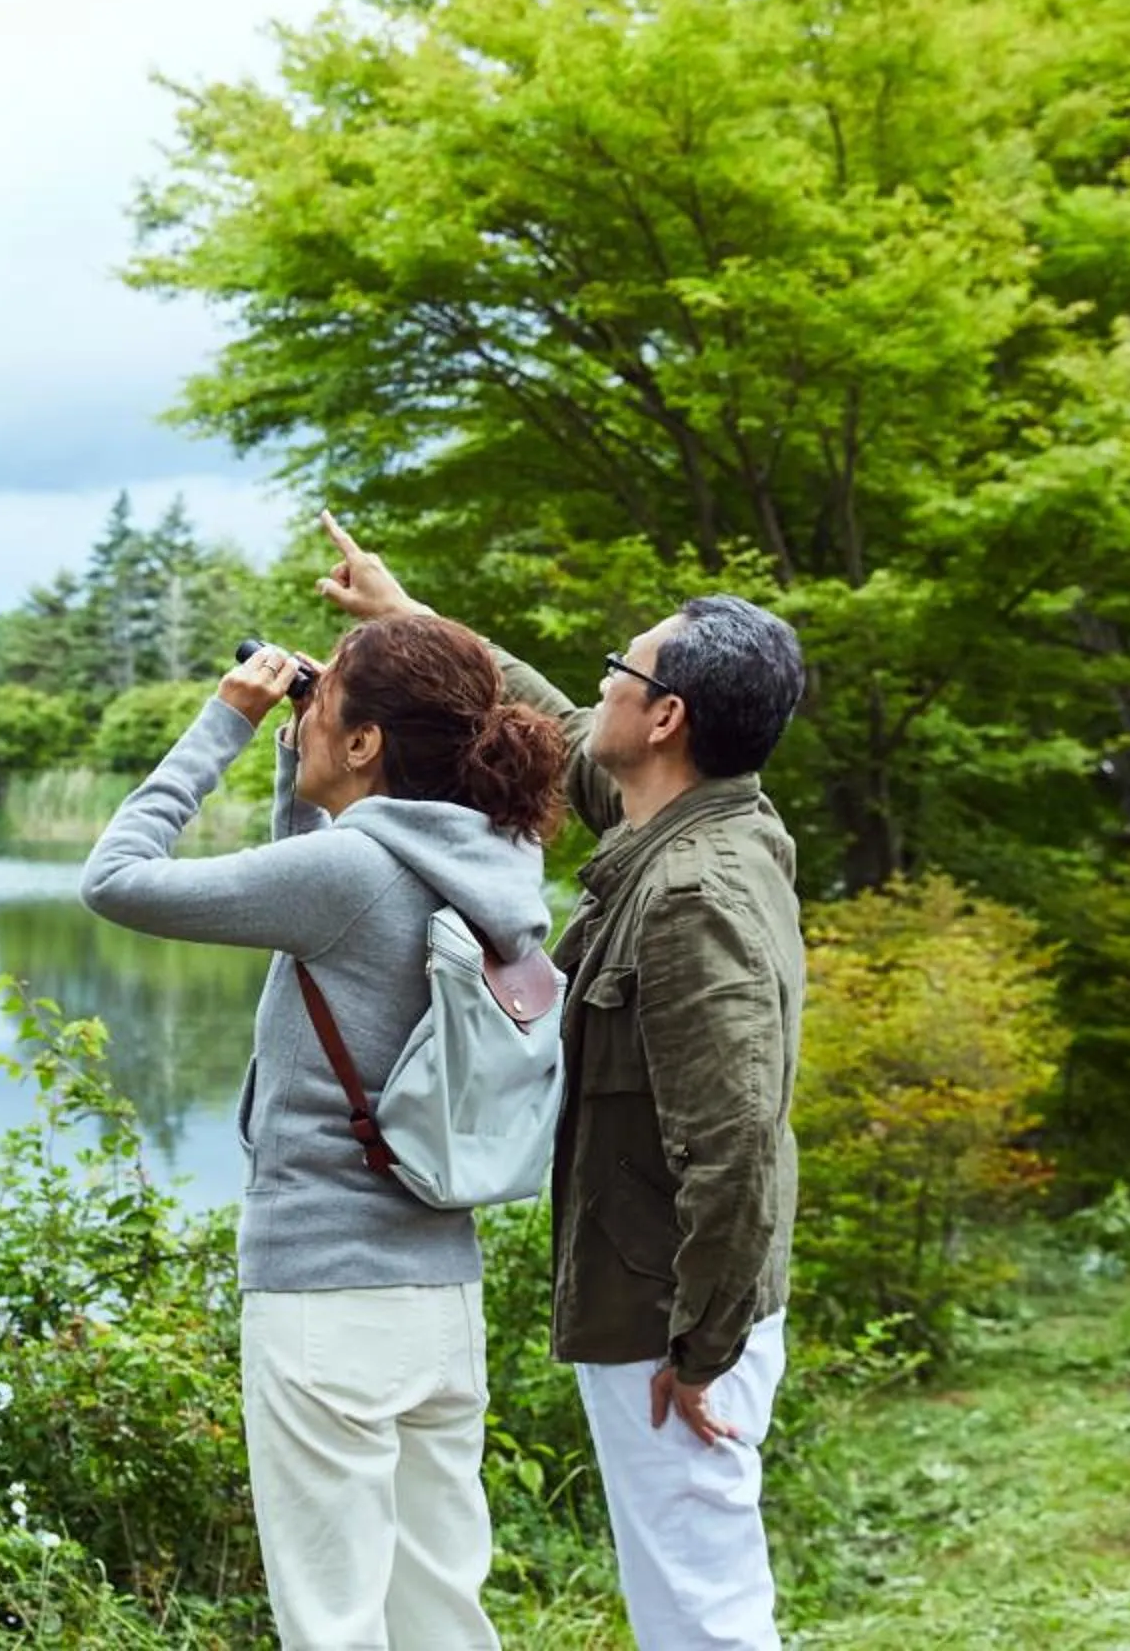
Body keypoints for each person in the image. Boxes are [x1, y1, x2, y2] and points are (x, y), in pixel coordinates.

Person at [312, 511, 808, 1651]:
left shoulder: (696, 895)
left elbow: (733, 1143)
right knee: (685, 1588)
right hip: (670, 1304)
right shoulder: (689, 820)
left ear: (669, 713)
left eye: (621, 671)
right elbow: (557, 722)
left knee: (705, 1608)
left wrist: (704, 1350)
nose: (603, 688)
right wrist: (409, 618)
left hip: (675, 1318)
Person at [82, 611, 569, 1650]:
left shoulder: (349, 875)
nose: (303, 717)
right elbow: (325, 889)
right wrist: (298, 753)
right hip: (441, 1292)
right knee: (442, 1613)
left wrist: (223, 720)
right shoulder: (494, 857)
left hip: (325, 1301)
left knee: (333, 1623)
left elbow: (114, 878)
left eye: (327, 703)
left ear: (367, 743)